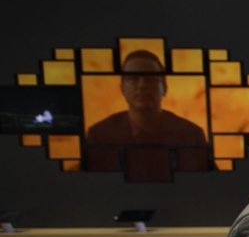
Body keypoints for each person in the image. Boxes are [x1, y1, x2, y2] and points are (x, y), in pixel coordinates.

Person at [84, 50, 210, 181]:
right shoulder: (100, 136)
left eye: (151, 79)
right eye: (133, 79)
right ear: (122, 89)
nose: (142, 85)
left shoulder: (191, 135)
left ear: (164, 88)